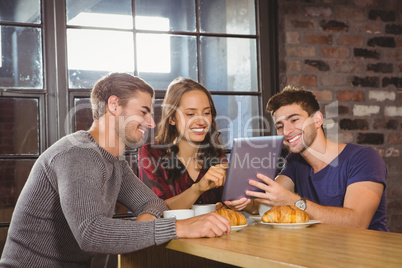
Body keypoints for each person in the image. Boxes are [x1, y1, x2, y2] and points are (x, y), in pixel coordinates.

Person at [0, 73, 230, 267]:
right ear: (113, 105)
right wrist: (176, 228)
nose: (151, 122)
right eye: (143, 112)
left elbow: (154, 203)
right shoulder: (77, 154)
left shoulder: (114, 161)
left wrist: (144, 229)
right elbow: (91, 233)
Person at [225, 85, 388, 231]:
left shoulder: (364, 158)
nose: (287, 131)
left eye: (294, 120)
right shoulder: (294, 162)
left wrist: (294, 201)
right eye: (280, 126)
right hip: (318, 254)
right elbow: (268, 203)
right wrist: (246, 203)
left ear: (317, 119)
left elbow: (357, 222)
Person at [138, 77, 227, 210]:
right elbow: (155, 211)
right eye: (190, 114)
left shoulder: (216, 155)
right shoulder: (151, 154)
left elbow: (234, 203)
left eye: (206, 113)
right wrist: (197, 189)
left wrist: (231, 205)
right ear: (172, 118)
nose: (201, 121)